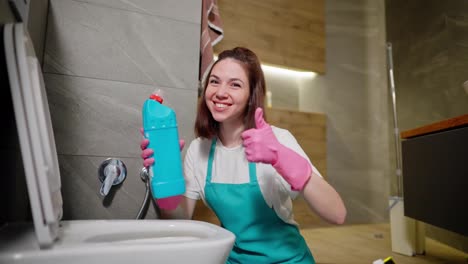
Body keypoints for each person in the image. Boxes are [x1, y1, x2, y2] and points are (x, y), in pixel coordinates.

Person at [140, 47, 346, 263]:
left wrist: (282, 158)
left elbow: (337, 214)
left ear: (251, 96)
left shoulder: (277, 140)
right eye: (214, 81)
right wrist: (163, 174)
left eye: (235, 84)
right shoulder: (199, 149)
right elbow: (180, 223)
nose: (220, 92)